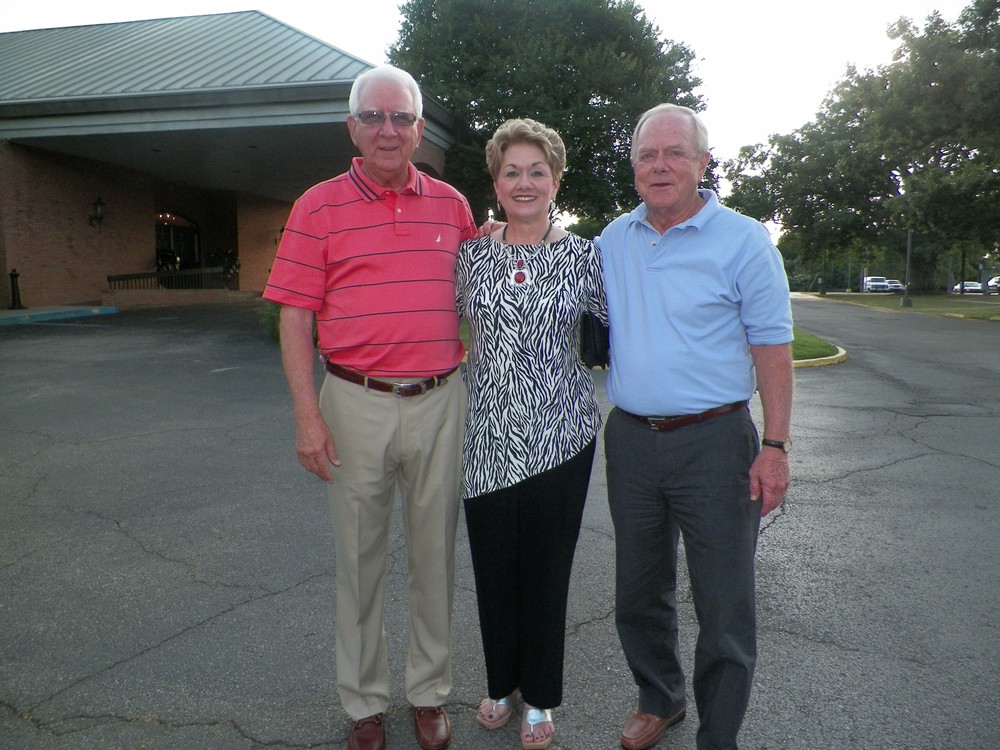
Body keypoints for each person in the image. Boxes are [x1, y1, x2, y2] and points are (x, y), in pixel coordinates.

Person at [262, 65, 475, 750]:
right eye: (375, 117)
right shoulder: (316, 207)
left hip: (440, 401)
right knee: (359, 561)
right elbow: (295, 317)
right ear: (352, 127)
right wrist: (307, 417)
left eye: (401, 117)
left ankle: (430, 693)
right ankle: (363, 702)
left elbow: (485, 292)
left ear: (419, 129)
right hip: (354, 401)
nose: (389, 129)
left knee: (435, 557)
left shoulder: (453, 206)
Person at [597, 103, 793, 750]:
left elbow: (772, 347)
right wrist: (497, 233)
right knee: (638, 591)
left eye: (675, 153)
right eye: (647, 155)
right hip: (632, 440)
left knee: (723, 601)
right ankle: (660, 697)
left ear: (703, 162)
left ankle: (720, 734)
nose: (660, 166)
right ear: (633, 167)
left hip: (716, 442)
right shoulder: (613, 240)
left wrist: (774, 446)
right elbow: (547, 267)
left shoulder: (743, 240)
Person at [456, 118, 606, 750]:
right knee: (494, 569)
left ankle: (540, 696)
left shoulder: (586, 257)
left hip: (562, 437)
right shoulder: (470, 256)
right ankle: (501, 684)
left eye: (537, 171)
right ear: (496, 183)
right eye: (512, 171)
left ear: (555, 181)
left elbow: (614, 331)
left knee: (546, 573)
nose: (525, 182)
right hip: (487, 437)